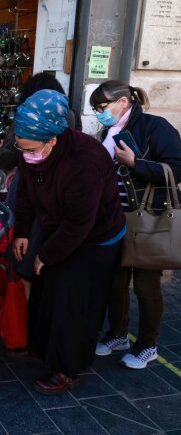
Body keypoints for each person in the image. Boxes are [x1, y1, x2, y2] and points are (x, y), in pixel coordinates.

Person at [11, 89, 125, 395]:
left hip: (96, 238)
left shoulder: (84, 160)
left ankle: (67, 368)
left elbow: (79, 223)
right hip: (57, 228)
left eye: (33, 149)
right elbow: (24, 194)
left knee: (73, 302)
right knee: (46, 291)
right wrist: (22, 231)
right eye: (22, 148)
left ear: (53, 139)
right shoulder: (31, 150)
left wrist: (46, 254)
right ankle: (43, 349)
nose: (28, 156)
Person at [90, 80, 181, 369]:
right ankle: (118, 334)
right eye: (96, 109)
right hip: (114, 220)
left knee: (145, 285)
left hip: (148, 222)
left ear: (124, 102)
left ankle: (148, 344)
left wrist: (136, 163)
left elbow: (176, 168)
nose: (100, 114)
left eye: (103, 108)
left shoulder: (156, 127)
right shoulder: (108, 131)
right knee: (114, 282)